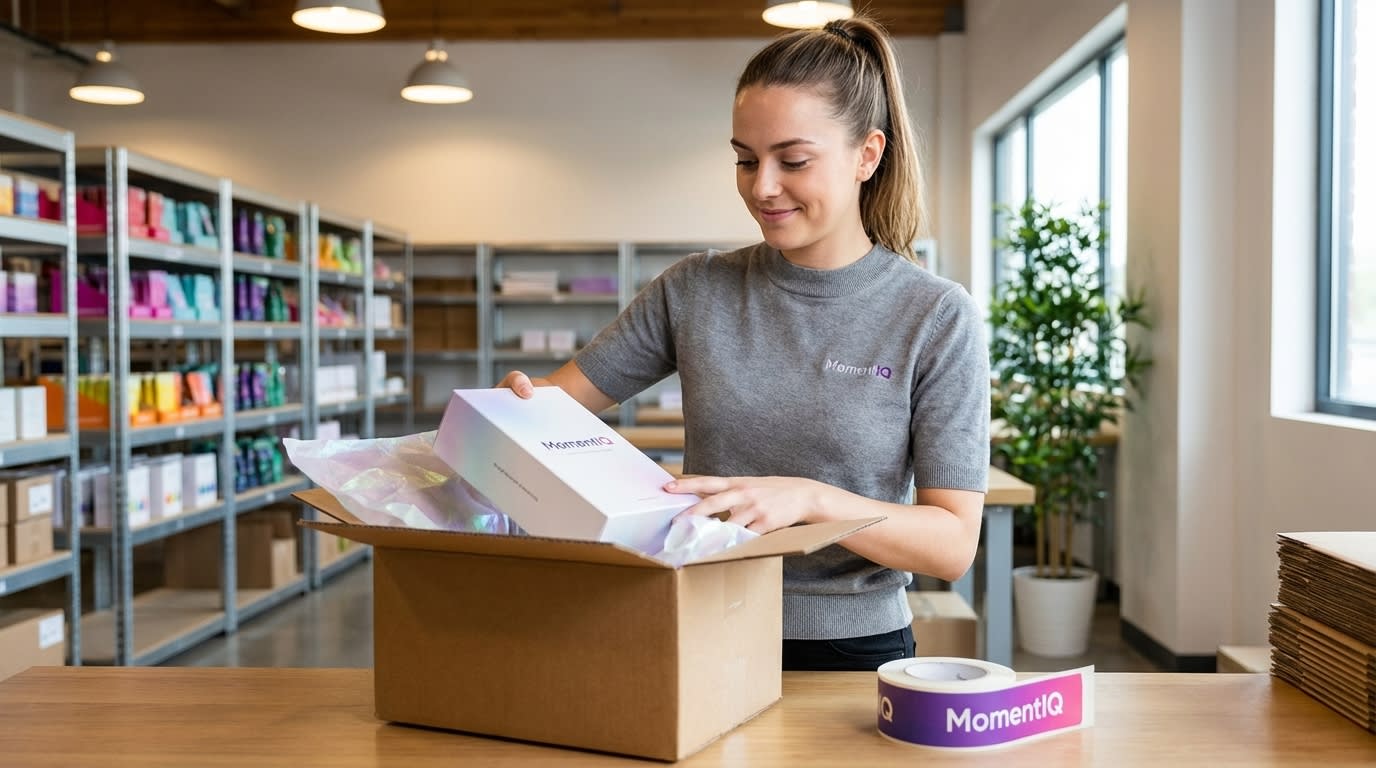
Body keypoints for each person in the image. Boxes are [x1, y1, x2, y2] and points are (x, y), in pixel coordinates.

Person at [499, 16, 989, 671]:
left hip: (852, 649)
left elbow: (952, 543)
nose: (761, 187)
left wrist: (811, 499)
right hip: (701, 624)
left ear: (867, 155)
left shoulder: (935, 315)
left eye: (793, 160)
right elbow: (554, 406)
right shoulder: (696, 290)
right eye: (744, 158)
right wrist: (514, 413)